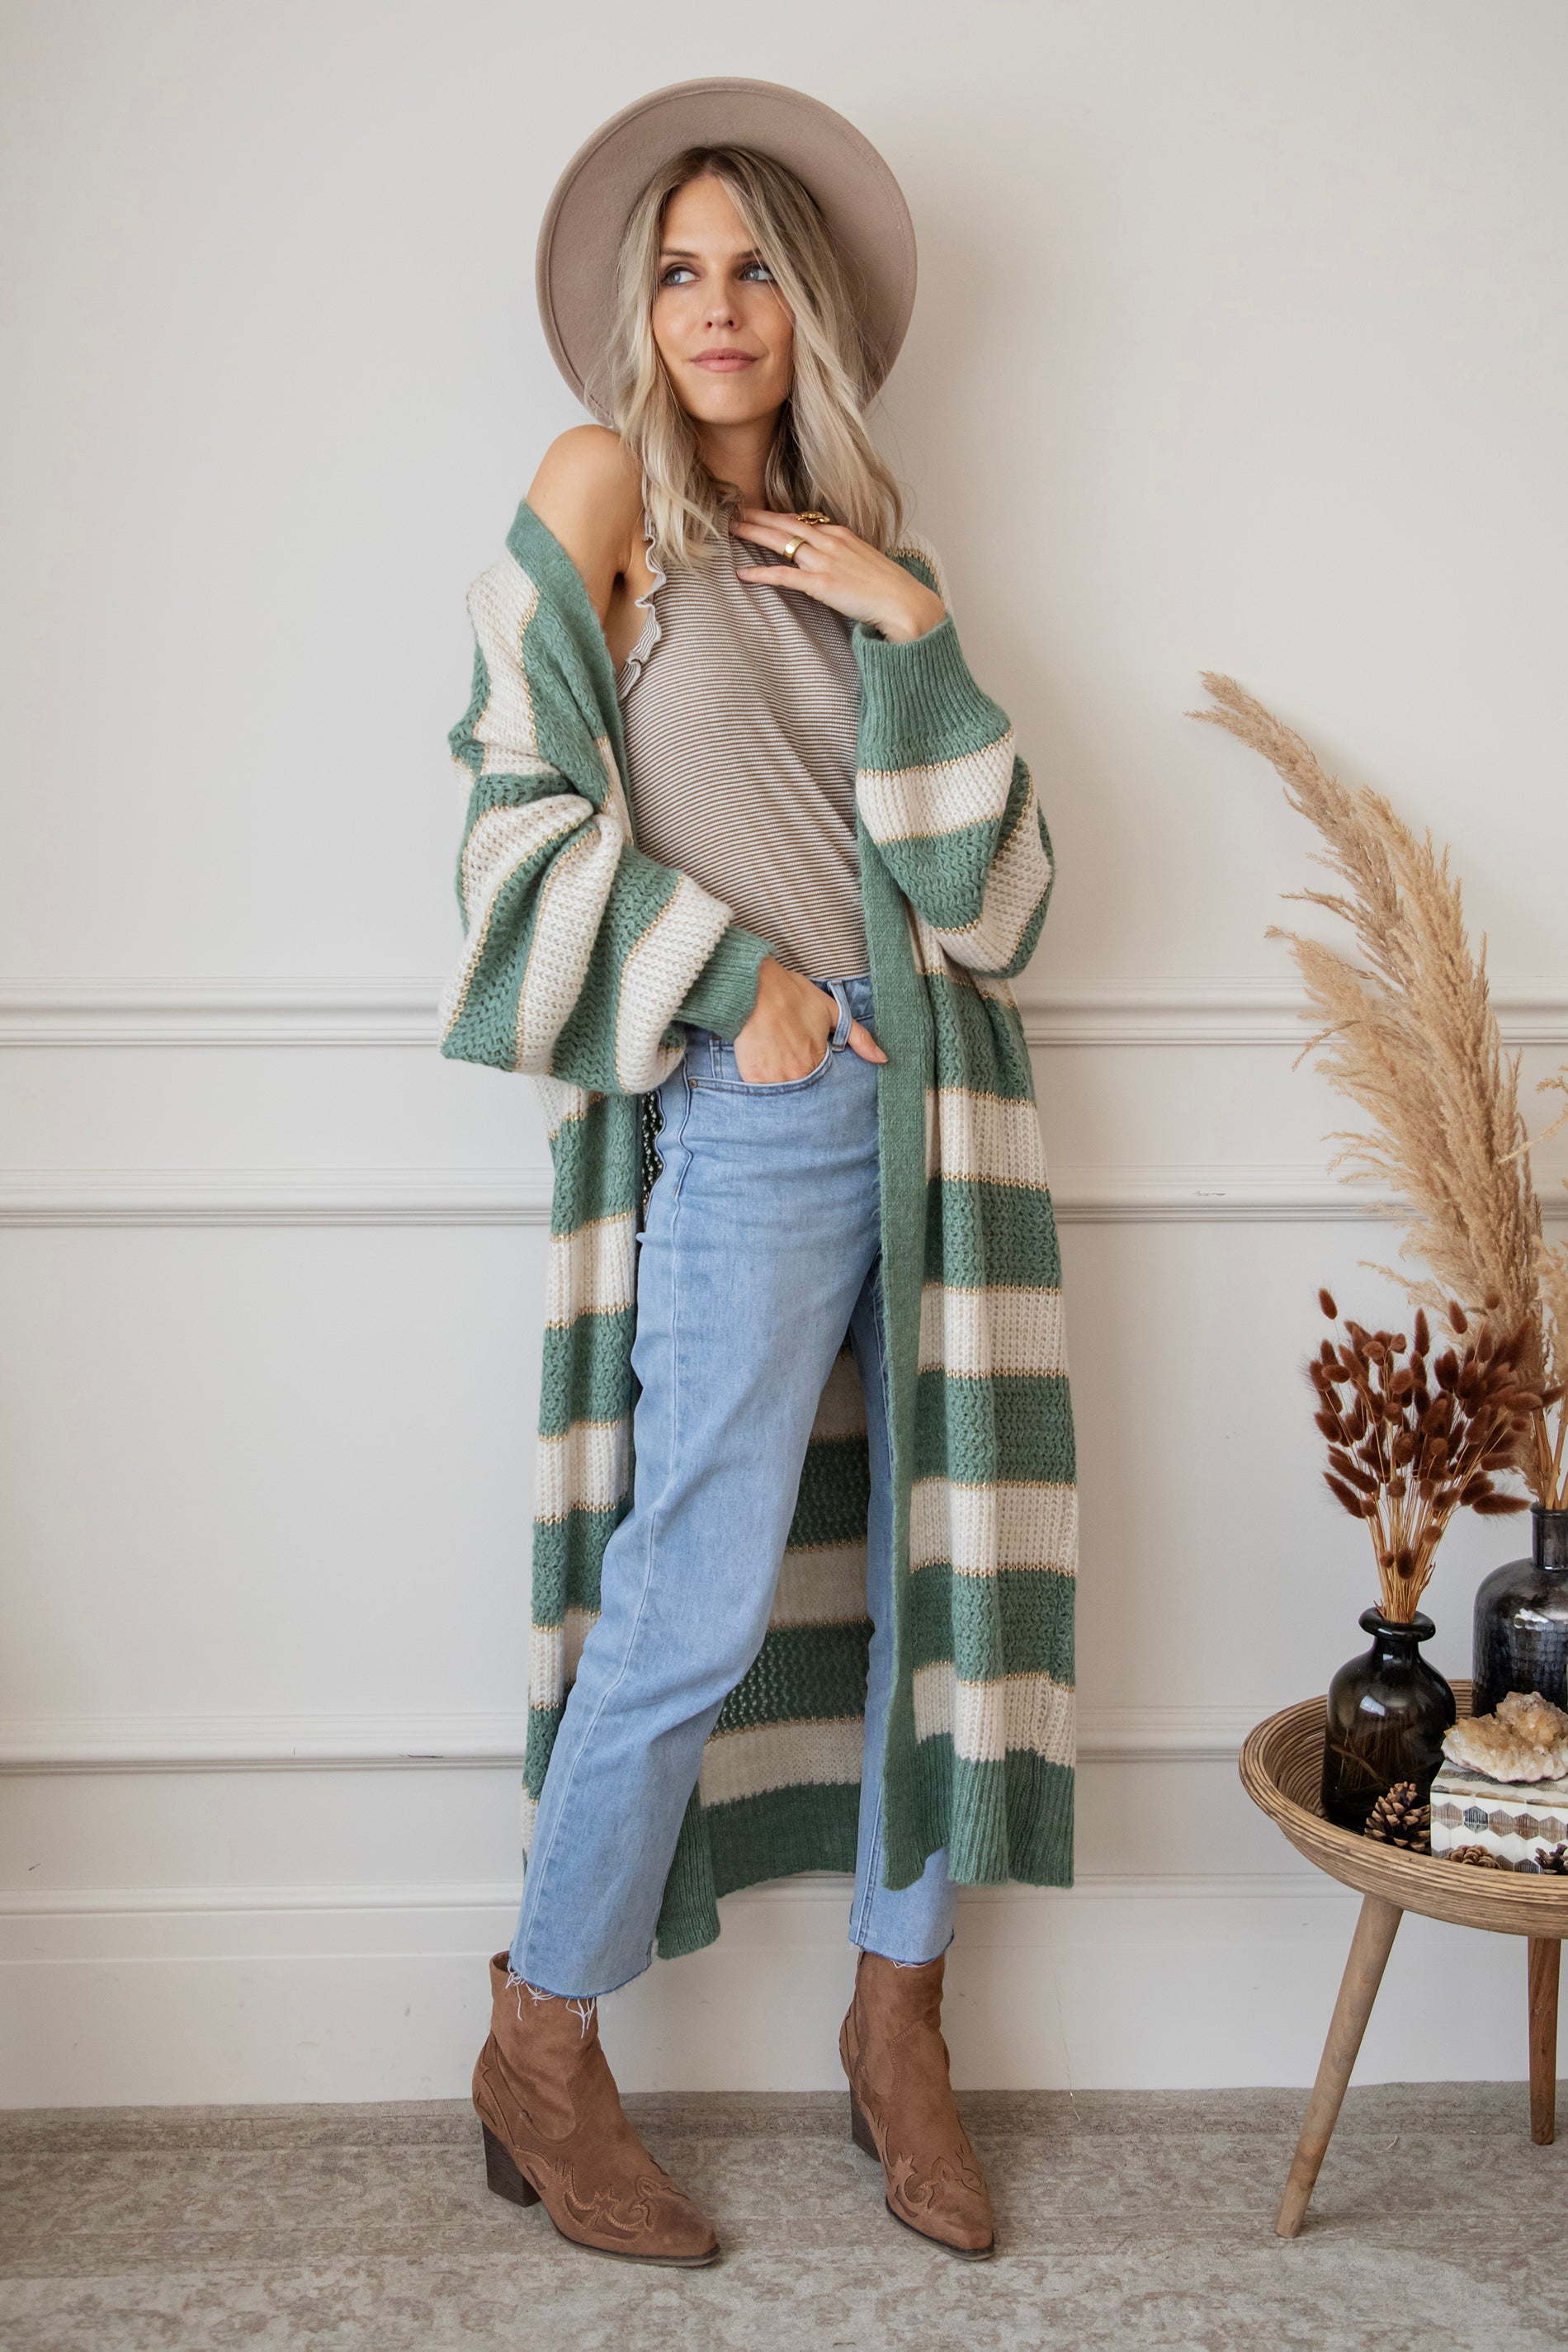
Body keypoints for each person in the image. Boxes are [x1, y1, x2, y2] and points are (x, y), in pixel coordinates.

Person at [439, 77, 1078, 2268]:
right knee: (692, 1595)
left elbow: (1003, 906)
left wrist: (914, 628)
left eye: (752, 275)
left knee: (938, 1581)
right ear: (644, 310)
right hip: (763, 1108)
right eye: (680, 273)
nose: (715, 310)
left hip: (950, 1111)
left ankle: (901, 2024)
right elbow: (508, 813)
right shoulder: (599, 489)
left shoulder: (877, 559)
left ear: (810, 312)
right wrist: (739, 982)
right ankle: (538, 2039)